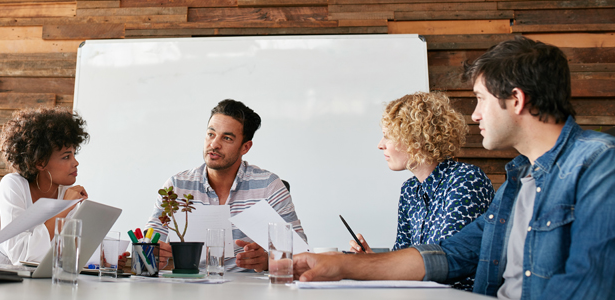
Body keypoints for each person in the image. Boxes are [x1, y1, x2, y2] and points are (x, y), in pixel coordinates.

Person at [293, 36, 615, 300]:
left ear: (516, 100)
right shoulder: (519, 179)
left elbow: (590, 285)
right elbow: (452, 254)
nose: (475, 115)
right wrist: (342, 266)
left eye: (480, 99)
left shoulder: (599, 164)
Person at [348, 91, 493, 290]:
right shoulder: (409, 190)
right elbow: (404, 255)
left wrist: (383, 266)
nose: (380, 145)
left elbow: (451, 264)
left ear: (415, 138)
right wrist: (374, 260)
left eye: (387, 136)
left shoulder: (465, 180)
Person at [145, 99, 306, 272]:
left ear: (245, 147)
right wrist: (154, 254)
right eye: (211, 134)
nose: (214, 144)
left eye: (227, 138)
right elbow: (148, 245)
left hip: (249, 291)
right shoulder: (177, 186)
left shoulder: (268, 186)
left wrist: (268, 261)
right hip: (189, 287)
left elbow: (302, 254)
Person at [0, 108, 89, 265]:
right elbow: (21, 256)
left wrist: (101, 258)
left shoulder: (65, 191)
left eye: (74, 154)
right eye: (66, 156)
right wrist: (64, 207)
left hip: (43, 281)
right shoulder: (13, 185)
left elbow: (66, 253)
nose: (75, 162)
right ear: (40, 162)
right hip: (5, 280)